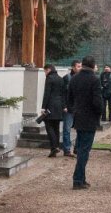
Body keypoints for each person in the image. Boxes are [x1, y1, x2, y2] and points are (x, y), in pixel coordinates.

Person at [67, 54, 103, 189]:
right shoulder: (95, 79)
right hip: (90, 118)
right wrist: (99, 113)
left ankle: (80, 178)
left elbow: (69, 97)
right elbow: (97, 101)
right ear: (93, 66)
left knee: (81, 147)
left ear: (82, 64)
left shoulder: (74, 78)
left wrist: (73, 110)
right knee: (84, 151)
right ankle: (77, 179)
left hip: (78, 117)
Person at [41, 64, 65, 157]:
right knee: (56, 127)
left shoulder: (49, 78)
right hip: (59, 106)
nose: (45, 73)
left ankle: (54, 147)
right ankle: (56, 147)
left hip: (51, 105)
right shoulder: (60, 78)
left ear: (49, 69)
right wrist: (63, 105)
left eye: (45, 71)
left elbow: (47, 93)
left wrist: (43, 107)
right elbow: (63, 94)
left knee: (48, 125)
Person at [62, 59, 81, 157]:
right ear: (73, 67)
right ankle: (67, 149)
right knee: (67, 129)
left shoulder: (81, 78)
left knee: (79, 129)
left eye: (80, 66)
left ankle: (77, 149)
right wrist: (64, 105)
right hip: (69, 108)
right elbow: (63, 94)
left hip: (78, 108)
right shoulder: (66, 78)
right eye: (78, 66)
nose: (80, 68)